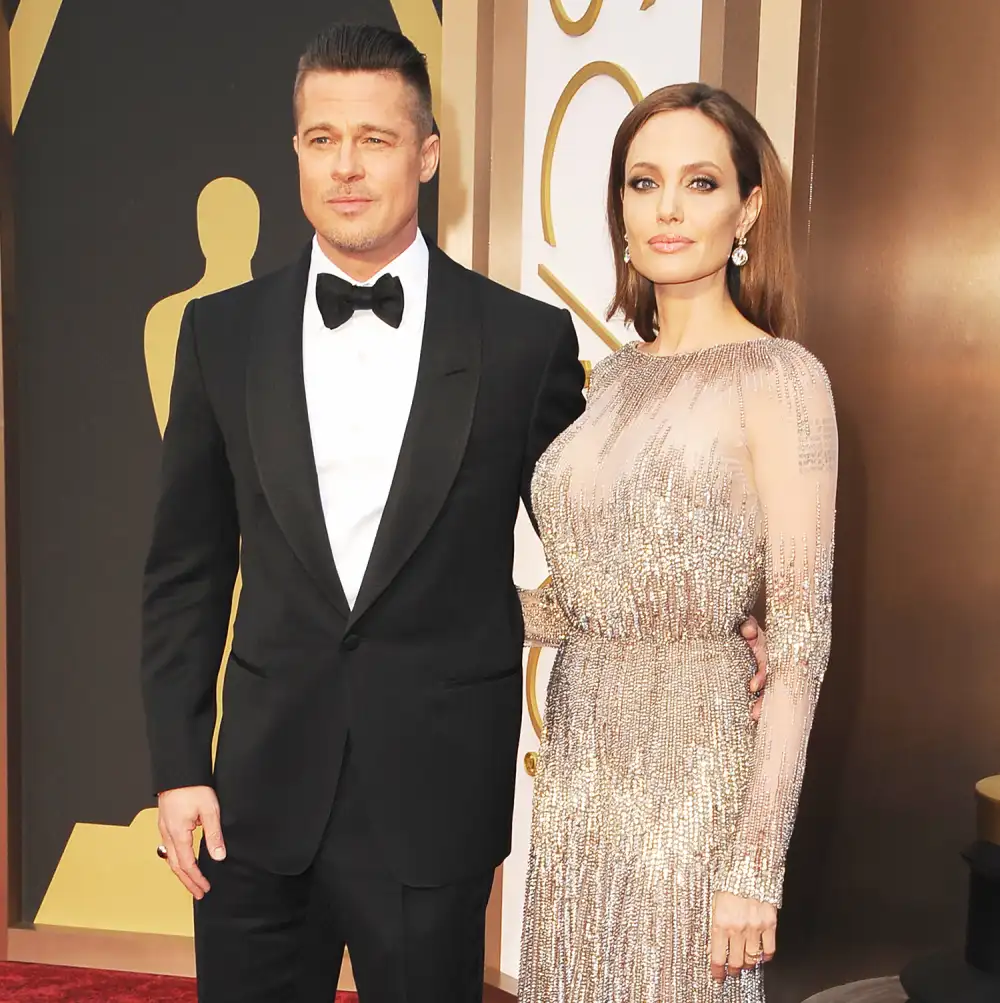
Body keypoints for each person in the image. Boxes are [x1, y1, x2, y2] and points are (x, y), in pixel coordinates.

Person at [141, 24, 770, 1003]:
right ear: (297, 149)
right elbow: (183, 570)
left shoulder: (520, 340)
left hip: (432, 802)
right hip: (253, 801)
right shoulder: (220, 332)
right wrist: (179, 764)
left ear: (427, 154)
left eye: (376, 139)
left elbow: (595, 531)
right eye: (321, 139)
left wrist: (715, 607)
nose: (345, 167)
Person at [517, 82, 838, 1003]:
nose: (666, 208)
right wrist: (438, 594)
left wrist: (754, 866)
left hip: (698, 783)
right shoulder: (606, 381)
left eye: (700, 183)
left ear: (750, 207)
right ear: (618, 206)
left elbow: (803, 636)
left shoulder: (780, 378)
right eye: (642, 181)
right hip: (581, 778)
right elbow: (578, 606)